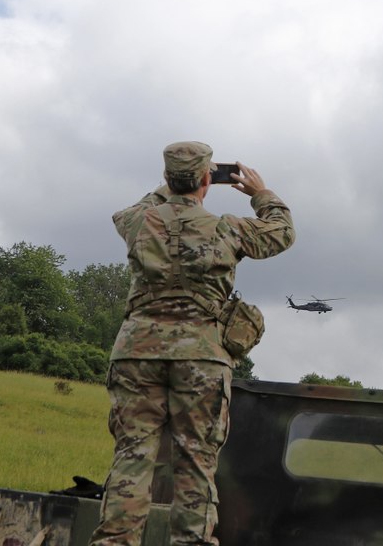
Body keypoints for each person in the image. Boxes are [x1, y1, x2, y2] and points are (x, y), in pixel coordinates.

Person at [89, 141, 295, 546]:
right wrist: (260, 193)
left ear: (167, 179)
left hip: (137, 352)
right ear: (207, 179)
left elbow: (134, 207)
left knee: (131, 457)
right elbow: (283, 232)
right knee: (196, 464)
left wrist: (176, 184)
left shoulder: (138, 222)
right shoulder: (228, 229)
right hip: (201, 357)